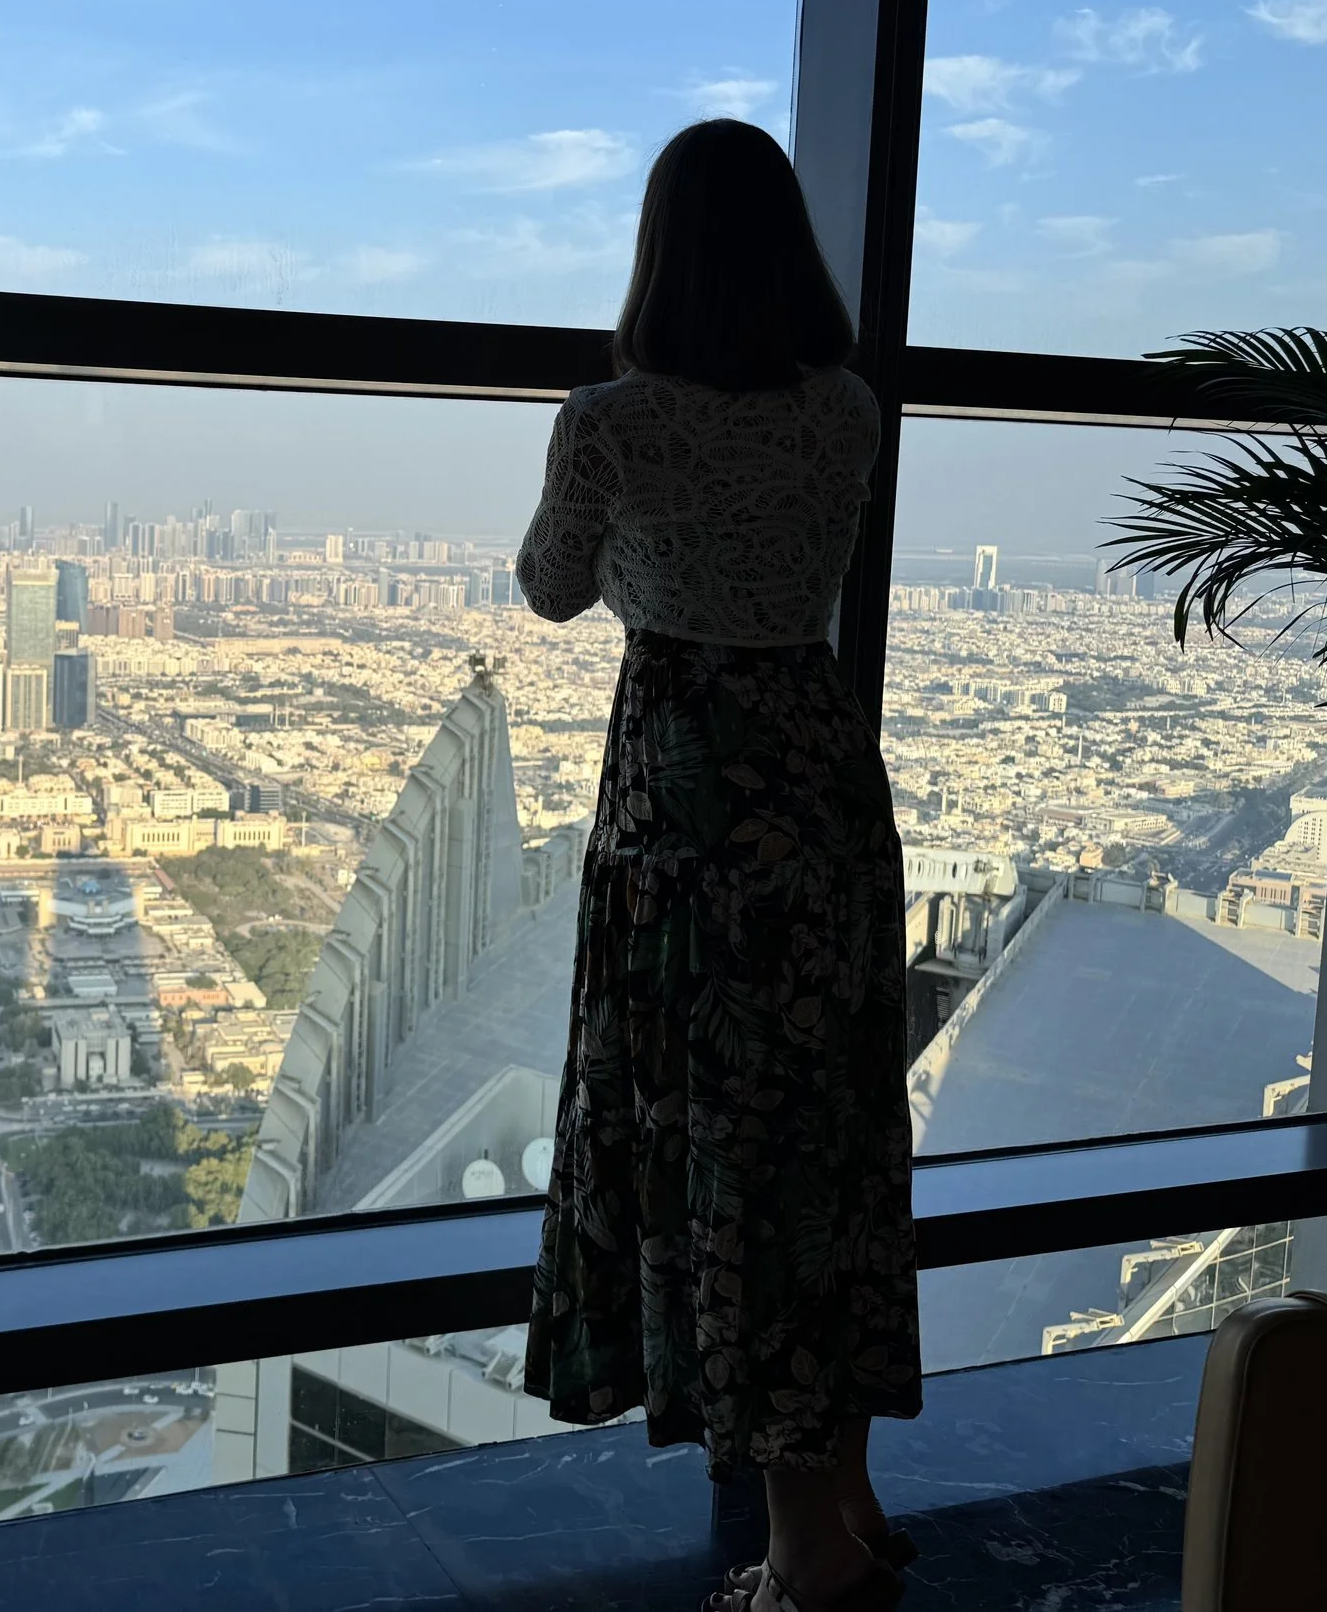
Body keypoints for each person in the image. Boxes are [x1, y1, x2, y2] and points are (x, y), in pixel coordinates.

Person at [516, 118, 922, 1612]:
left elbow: (555, 587)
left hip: (687, 798)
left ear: (661, 250)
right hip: (819, 782)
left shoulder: (613, 421)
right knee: (829, 1135)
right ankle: (854, 1491)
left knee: (728, 1156)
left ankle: (802, 1547)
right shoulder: (849, 414)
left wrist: (627, 534)